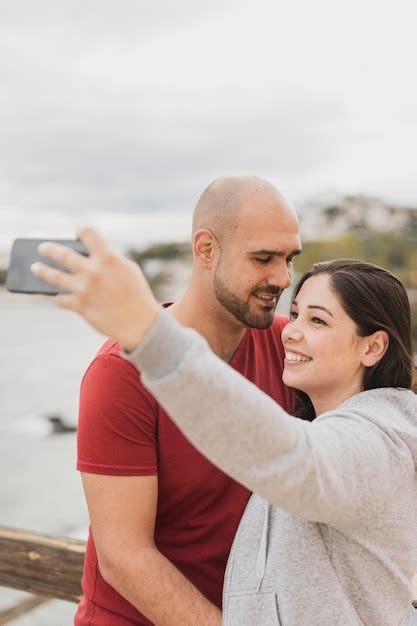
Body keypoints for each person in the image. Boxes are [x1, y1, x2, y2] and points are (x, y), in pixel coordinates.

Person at [32, 229, 417, 626]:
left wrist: (148, 332)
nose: (291, 330)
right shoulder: (322, 406)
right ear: (206, 250)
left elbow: (298, 459)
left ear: (373, 347)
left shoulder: (382, 438)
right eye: (297, 312)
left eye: (317, 320)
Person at [40, 177, 301, 626]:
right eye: (263, 258)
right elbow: (124, 557)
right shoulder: (119, 374)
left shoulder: (291, 348)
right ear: (206, 250)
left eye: (288, 259)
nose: (282, 278)